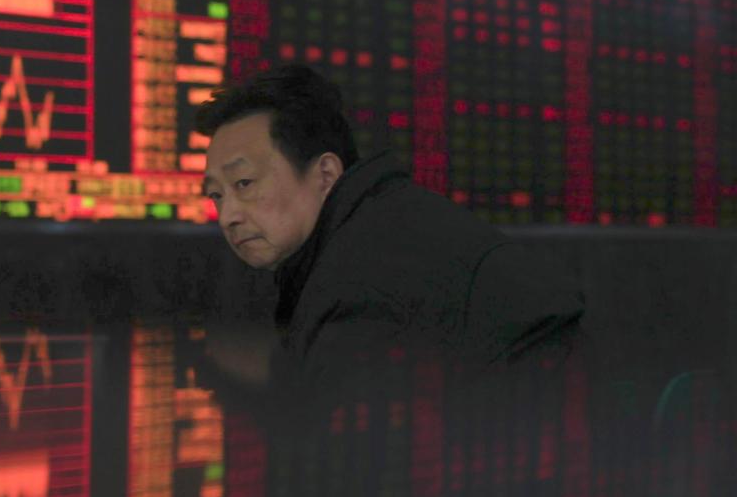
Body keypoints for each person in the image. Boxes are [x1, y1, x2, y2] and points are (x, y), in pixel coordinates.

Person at [196, 64, 586, 395]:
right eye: (215, 196)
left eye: (244, 183)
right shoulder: (380, 221)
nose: (228, 214)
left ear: (326, 174)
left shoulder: (359, 281)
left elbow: (356, 457)